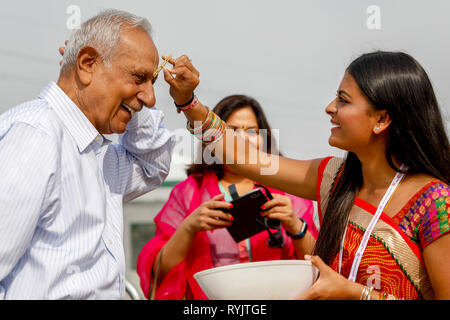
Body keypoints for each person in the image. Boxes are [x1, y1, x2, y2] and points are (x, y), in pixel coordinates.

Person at [162, 51, 450, 299]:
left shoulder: (434, 202)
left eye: (343, 100)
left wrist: (355, 293)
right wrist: (188, 102)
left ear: (382, 120)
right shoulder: (334, 178)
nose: (330, 108)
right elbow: (244, 159)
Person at [0, 9, 191, 299]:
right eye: (139, 77)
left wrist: (137, 101)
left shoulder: (98, 154)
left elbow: (153, 167)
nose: (151, 98)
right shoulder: (36, 135)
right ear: (88, 64)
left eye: (152, 82)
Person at [137, 94, 318, 299]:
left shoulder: (288, 190)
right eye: (231, 131)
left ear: (265, 138)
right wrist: (189, 227)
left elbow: (320, 266)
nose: (241, 138)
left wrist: (296, 226)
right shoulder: (189, 193)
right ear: (212, 139)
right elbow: (159, 273)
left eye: (252, 131)